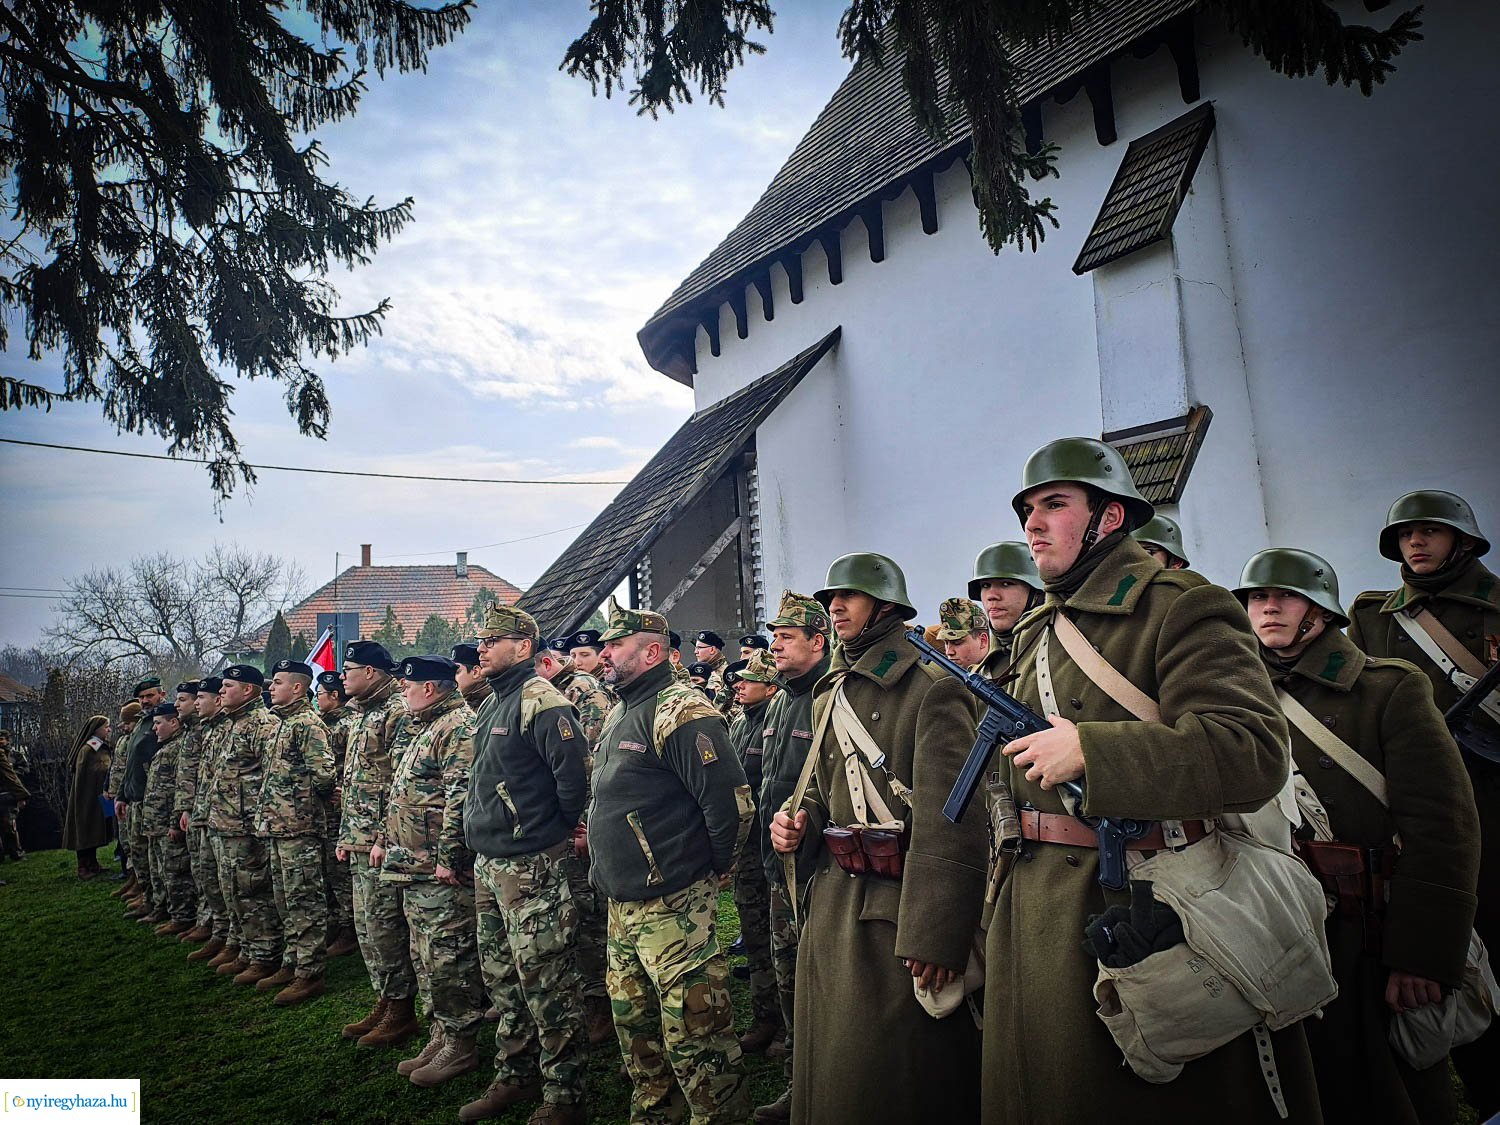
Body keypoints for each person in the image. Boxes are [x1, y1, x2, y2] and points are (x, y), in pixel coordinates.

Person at [974, 437, 1317, 1123]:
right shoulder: (1038, 627)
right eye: (1026, 510)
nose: (1032, 524)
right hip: (1035, 906)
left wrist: (1094, 752)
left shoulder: (1181, 606)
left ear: (1109, 516)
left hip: (1142, 901)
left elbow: (1251, 752)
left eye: (1054, 504)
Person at [1235, 547, 1480, 1124]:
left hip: (1371, 927)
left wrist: (1421, 955)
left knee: (1395, 1093)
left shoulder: (1388, 689)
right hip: (1280, 923)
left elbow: (1442, 827)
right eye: (1257, 597)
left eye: (1285, 596)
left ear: (1320, 611)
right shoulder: (1237, 697)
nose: (1268, 608)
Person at [769, 554, 986, 1124]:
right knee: (834, 1068)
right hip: (838, 901)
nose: (836, 607)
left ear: (885, 605)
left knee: (893, 1077)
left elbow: (953, 820)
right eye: (831, 598)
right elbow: (826, 790)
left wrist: (937, 935)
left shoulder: (932, 688)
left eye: (850, 596)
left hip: (900, 914)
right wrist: (800, 820)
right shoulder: (831, 689)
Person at [1346, 489, 1499, 1118]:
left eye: (1429, 531)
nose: (1415, 542)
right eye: (1406, 535)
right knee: (1452, 941)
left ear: (1462, 541)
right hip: (1417, 806)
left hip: (1492, 795)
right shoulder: (1375, 617)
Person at [590, 596, 753, 1124]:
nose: (605, 653)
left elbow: (730, 805)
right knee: (635, 1026)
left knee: (696, 1032)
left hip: (673, 903)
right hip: (623, 902)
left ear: (652, 652)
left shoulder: (681, 711)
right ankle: (656, 1114)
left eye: (616, 644)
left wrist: (714, 867)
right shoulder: (623, 708)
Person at [460, 608, 589, 1123]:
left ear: (524, 646)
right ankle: (515, 1073)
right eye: (481, 639)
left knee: (546, 978)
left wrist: (546, 833)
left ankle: (565, 1094)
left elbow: (575, 780)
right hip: (490, 863)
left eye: (493, 639)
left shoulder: (543, 701)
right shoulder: (495, 700)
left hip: (531, 863)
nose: (482, 648)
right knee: (502, 978)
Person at [373, 655, 486, 1090]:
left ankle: (461, 1042)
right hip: (414, 864)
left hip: (439, 868)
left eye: (408, 685)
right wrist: (387, 840)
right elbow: (404, 795)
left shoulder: (457, 726)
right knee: (425, 954)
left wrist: (450, 856)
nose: (402, 690)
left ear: (430, 688)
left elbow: (462, 795)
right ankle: (440, 1032)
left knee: (448, 955)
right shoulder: (427, 724)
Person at [752, 591, 831, 1123]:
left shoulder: (830, 696)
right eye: (774, 636)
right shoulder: (781, 699)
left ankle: (828, 1080)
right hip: (778, 867)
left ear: (817, 642)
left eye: (786, 637)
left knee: (823, 978)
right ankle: (798, 1080)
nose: (775, 645)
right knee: (789, 976)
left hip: (822, 869)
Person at [534, 636, 617, 1044]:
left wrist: (583, 825)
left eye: (586, 653)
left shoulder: (583, 692)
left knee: (588, 912)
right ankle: (586, 994)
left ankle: (600, 1001)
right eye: (576, 654)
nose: (580, 660)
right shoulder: (555, 691)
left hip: (580, 823)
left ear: (546, 664)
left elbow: (590, 764)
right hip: (560, 821)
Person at [337, 640, 420, 1047]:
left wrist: (385, 838)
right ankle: (385, 1000)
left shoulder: (397, 713)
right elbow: (357, 781)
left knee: (386, 928)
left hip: (382, 843)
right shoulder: (362, 713)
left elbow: (402, 783)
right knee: (367, 927)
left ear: (370, 672)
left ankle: (401, 1010)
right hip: (359, 839)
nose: (342, 678)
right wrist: (346, 836)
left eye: (348, 670)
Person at [254, 659, 335, 1005]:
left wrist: (302, 804)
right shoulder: (282, 723)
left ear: (298, 687)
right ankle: (292, 961)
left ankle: (309, 972)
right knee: (284, 899)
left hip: (299, 827)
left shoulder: (307, 725)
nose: (271, 688)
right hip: (279, 825)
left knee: (304, 900)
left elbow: (325, 775)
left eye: (278, 682)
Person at [206, 665, 283, 984]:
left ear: (248, 689)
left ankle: (265, 954)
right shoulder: (232, 722)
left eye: (228, 686)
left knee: (253, 891)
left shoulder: (263, 724)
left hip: (248, 826)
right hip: (226, 823)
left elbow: (273, 775)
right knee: (233, 890)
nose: (221, 691)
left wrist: (259, 820)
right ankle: (246, 948)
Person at [726, 651, 780, 1054]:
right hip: (746, 847)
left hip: (773, 843)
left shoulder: (777, 723)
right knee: (754, 929)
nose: (738, 685)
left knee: (782, 936)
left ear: (771, 688)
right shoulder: (740, 722)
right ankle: (765, 1016)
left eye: (749, 680)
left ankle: (787, 1025)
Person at [186, 677, 232, 964]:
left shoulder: (232, 727)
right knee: (211, 879)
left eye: (200, 697)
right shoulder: (211, 729)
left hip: (232, 820)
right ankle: (222, 933)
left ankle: (237, 942)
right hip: (210, 815)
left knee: (235, 887)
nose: (195, 703)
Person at [140, 700, 196, 935]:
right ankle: (163, 907)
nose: (154, 728)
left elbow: (180, 788)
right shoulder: (165, 747)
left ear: (174, 723)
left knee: (175, 872)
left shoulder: (179, 747)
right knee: (160, 870)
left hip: (167, 823)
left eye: (158, 723)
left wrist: (175, 822)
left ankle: (182, 916)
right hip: (156, 822)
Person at [314, 670, 359, 957]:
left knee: (340, 869)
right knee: (328, 868)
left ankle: (347, 927)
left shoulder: (346, 724)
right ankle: (335, 921)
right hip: (325, 807)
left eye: (320, 694)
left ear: (334, 696)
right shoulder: (323, 722)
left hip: (339, 806)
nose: (317, 699)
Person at [119, 678, 166, 917]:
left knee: (153, 857)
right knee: (139, 854)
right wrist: (121, 795)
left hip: (151, 800)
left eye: (149, 696)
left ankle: (159, 903)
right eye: (141, 697)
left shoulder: (163, 720)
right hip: (134, 798)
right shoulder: (142, 722)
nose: (145, 701)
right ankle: (147, 897)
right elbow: (131, 764)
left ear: (161, 695)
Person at [967, 541, 1042, 663]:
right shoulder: (986, 666)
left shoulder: (1062, 644)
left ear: (1036, 592)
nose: (992, 596)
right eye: (985, 585)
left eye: (1006, 584)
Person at [61, 716, 113, 877]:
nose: (109, 730)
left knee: (96, 827)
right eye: (106, 727)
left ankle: (93, 863)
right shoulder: (88, 749)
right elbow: (85, 775)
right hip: (86, 798)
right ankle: (83, 866)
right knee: (85, 828)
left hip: (100, 795)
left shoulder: (101, 747)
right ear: (96, 729)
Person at [106, 699, 143, 897]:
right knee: (124, 838)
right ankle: (130, 876)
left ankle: (138, 880)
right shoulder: (123, 740)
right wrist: (109, 788)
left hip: (130, 797)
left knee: (133, 841)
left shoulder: (138, 740)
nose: (124, 727)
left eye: (128, 723)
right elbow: (115, 766)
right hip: (118, 795)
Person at [936, 596, 991, 669]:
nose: (948, 652)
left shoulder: (1004, 670)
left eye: (957, 643)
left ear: (983, 641)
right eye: (946, 643)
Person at [0, 729, 29, 864]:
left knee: (9, 824)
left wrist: (13, 772)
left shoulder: (15, 755)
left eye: (2, 739)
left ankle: (16, 852)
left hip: (9, 793)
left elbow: (24, 769)